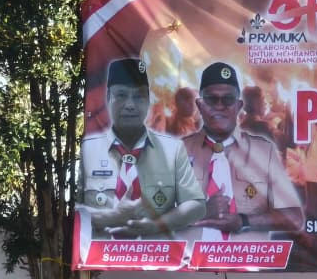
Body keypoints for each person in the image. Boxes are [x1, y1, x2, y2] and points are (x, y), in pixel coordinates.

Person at [79, 57, 206, 238]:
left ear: (148, 100)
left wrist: (156, 225)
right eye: (121, 95)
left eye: (139, 96)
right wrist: (113, 216)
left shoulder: (173, 149)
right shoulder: (88, 149)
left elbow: (196, 205)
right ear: (108, 98)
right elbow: (72, 211)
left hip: (155, 259)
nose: (130, 105)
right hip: (101, 259)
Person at [183, 62, 304, 241]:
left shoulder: (264, 151)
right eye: (211, 99)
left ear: (239, 106)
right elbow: (149, 216)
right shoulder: (177, 152)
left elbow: (294, 218)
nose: (220, 106)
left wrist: (243, 221)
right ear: (200, 105)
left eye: (228, 99)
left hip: (248, 263)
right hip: (192, 265)